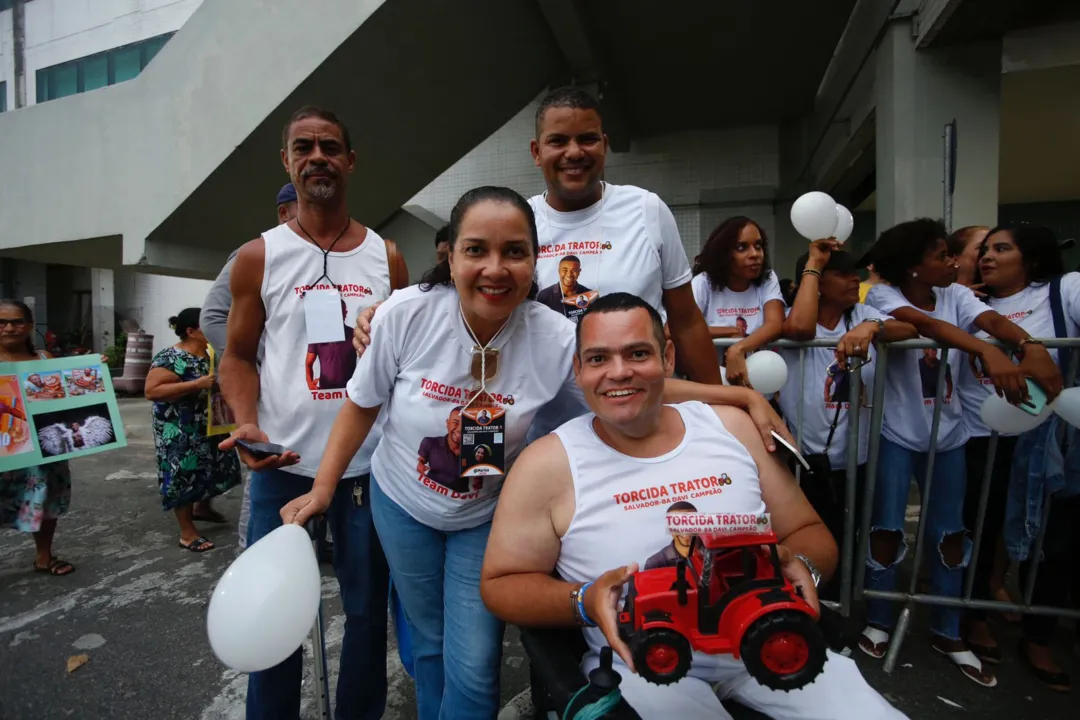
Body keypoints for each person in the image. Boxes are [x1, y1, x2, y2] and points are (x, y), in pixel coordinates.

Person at [280, 187, 795, 720]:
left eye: (515, 252)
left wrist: (740, 395)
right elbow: (361, 406)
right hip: (403, 505)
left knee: (476, 662)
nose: (495, 269)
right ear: (451, 257)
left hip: (485, 515)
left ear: (536, 260)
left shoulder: (554, 338)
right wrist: (322, 487)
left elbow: (630, 388)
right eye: (476, 250)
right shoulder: (406, 316)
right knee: (430, 640)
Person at [478, 293, 907, 719]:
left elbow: (808, 532)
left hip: (765, 634)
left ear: (667, 357)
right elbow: (501, 583)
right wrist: (584, 600)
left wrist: (803, 570)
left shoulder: (729, 427)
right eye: (598, 359)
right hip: (640, 664)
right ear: (579, 369)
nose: (618, 372)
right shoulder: (548, 464)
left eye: (638, 353)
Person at [218, 105, 408, 720]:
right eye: (304, 147)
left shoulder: (388, 257)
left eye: (330, 146)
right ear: (286, 161)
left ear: (350, 161)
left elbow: (406, 361)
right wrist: (246, 420)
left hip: (367, 472)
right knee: (272, 613)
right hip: (282, 465)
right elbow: (238, 357)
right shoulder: (258, 256)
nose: (317, 156)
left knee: (365, 615)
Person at [858, 218, 1062, 687]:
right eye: (941, 255)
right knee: (887, 528)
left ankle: (948, 629)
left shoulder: (958, 294)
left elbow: (989, 321)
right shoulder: (886, 296)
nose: (955, 262)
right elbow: (924, 325)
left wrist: (1025, 345)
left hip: (949, 434)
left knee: (951, 534)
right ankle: (879, 618)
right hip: (897, 432)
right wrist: (989, 354)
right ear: (913, 267)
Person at [957, 223, 1080, 691]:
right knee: (981, 529)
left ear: (1031, 256)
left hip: (1054, 438)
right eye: (984, 250)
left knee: (1056, 538)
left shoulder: (1062, 290)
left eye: (1001, 249)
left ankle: (1039, 637)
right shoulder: (973, 304)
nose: (988, 256)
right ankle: (978, 618)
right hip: (987, 436)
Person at [527, 86, 720, 383]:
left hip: (642, 414)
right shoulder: (521, 222)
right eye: (558, 141)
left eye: (587, 139)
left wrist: (717, 407)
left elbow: (686, 322)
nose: (575, 152)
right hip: (549, 421)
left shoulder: (646, 209)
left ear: (604, 145)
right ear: (537, 152)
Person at [779, 242, 917, 598]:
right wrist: (812, 264)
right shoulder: (796, 318)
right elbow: (798, 328)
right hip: (803, 458)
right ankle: (811, 605)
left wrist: (871, 328)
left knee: (848, 533)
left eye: (855, 273)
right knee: (809, 539)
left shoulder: (861, 314)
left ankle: (841, 603)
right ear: (818, 282)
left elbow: (908, 329)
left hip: (855, 456)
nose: (854, 280)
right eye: (842, 273)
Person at [201, 182, 297, 552]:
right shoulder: (256, 255)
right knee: (266, 469)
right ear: (283, 213)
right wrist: (257, 361)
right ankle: (251, 549)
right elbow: (212, 317)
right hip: (264, 392)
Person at [144, 308, 242, 552]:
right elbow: (152, 391)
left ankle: (203, 508)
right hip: (178, 428)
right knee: (183, 475)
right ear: (190, 331)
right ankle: (187, 533)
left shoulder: (212, 355)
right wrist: (196, 384)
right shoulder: (171, 357)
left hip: (209, 424)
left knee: (215, 467)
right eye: (206, 325)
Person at [0, 300, 75, 576]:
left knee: (46, 498)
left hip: (44, 446)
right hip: (4, 447)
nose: (9, 327)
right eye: (2, 322)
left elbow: (66, 396)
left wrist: (90, 369)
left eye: (17, 321)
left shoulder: (44, 359)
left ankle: (44, 555)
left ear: (30, 326)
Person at [691, 216, 786, 386]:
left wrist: (738, 348)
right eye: (742, 247)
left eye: (758, 246)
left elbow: (775, 323)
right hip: (716, 392)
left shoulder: (768, 279)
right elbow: (674, 329)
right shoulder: (703, 283)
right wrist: (729, 331)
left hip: (761, 389)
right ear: (723, 253)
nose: (755, 254)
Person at [305, 299, 357, 390]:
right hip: (326, 392)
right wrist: (310, 384)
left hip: (349, 392)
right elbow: (308, 363)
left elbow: (366, 363)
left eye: (340, 312)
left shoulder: (354, 334)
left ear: (345, 313)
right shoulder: (318, 335)